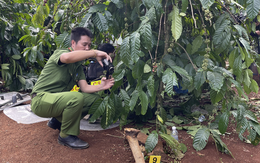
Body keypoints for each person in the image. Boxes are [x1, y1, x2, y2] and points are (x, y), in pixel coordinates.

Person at [30, 27, 114, 149]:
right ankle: (65, 135)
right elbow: (67, 58)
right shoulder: (60, 53)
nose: (87, 48)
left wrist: (102, 86)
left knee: (93, 99)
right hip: (40, 100)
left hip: (56, 101)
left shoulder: (78, 66)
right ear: (73, 43)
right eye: (84, 44)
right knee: (76, 97)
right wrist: (95, 53)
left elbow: (85, 88)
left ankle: (58, 121)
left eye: (89, 45)